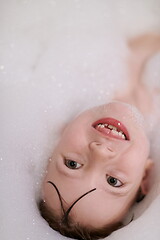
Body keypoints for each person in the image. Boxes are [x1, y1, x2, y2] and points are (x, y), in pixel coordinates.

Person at [38, 34, 160, 240]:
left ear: (59, 135)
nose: (100, 151)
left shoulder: (91, 71)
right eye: (113, 181)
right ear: (145, 176)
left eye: (72, 164)